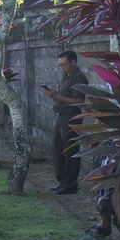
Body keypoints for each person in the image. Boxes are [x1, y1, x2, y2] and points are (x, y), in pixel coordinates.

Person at [40, 49, 88, 194]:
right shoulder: (67, 75)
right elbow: (64, 95)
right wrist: (55, 94)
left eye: (64, 64)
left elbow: (79, 101)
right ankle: (63, 181)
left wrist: (56, 96)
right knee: (58, 150)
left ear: (73, 62)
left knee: (70, 151)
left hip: (71, 117)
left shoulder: (78, 78)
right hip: (61, 116)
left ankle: (70, 184)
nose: (62, 68)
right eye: (60, 65)